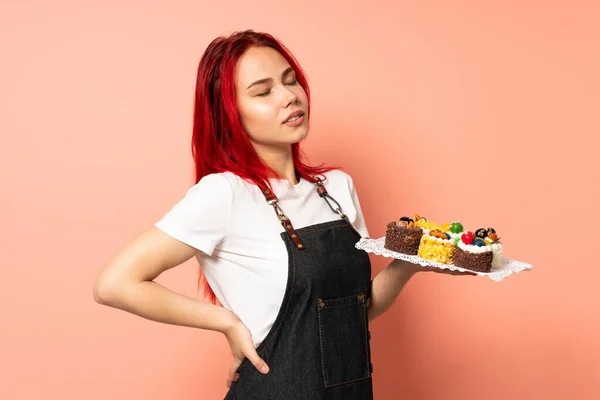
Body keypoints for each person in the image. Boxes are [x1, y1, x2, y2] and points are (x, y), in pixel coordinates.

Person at [93, 30, 471, 399]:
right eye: (263, 91)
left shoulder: (337, 187)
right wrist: (226, 322)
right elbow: (114, 283)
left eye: (291, 81)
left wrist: (408, 266)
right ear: (229, 114)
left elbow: (351, 314)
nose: (289, 96)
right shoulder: (225, 194)